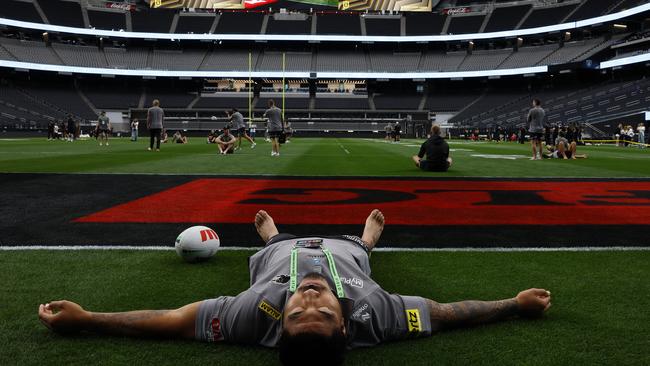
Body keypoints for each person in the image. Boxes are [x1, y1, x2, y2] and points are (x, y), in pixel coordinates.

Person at [38, 209, 552, 366]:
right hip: (348, 247)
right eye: (322, 312)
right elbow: (447, 313)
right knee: (360, 251)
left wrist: (89, 319)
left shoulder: (249, 317)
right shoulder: (379, 316)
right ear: (346, 323)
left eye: (297, 312)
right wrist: (514, 304)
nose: (309, 299)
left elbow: (174, 320)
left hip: (279, 250)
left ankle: (272, 235)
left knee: (275, 247)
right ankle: (368, 240)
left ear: (278, 322)